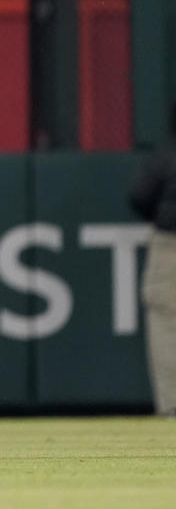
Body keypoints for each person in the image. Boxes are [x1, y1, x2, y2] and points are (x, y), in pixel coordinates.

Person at [129, 100, 176, 418]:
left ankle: (172, 407)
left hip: (170, 242)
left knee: (167, 325)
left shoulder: (168, 154)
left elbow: (139, 196)